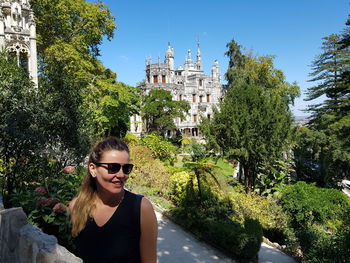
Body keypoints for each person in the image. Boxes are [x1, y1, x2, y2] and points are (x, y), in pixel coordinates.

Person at [69, 137, 158, 263]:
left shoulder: (141, 209)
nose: (121, 175)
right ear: (93, 169)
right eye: (113, 167)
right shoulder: (77, 207)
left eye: (126, 168)